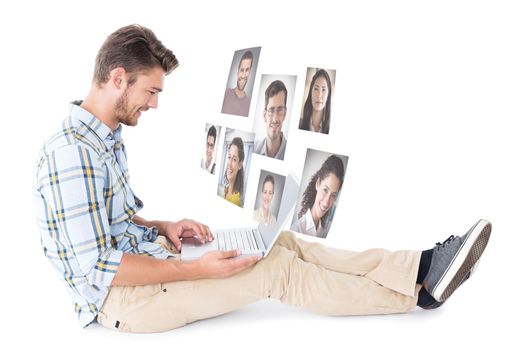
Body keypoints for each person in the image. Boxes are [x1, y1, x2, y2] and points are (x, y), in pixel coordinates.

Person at [33, 24, 492, 333]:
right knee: (277, 272)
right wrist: (194, 268)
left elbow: (108, 229)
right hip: (123, 301)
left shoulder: (102, 138)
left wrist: (164, 228)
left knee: (283, 244)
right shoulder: (73, 153)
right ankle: (418, 294)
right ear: (118, 78)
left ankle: (422, 265)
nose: (154, 104)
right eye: (151, 91)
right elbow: (98, 269)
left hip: (148, 259)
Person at [291, 154, 344, 238]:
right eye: (325, 190)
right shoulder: (296, 229)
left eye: (333, 195)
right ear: (318, 183)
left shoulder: (324, 232)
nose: (326, 203)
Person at [254, 80, 288, 160]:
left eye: (280, 110)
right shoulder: (253, 148)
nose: (275, 119)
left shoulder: (292, 153)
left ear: (285, 114)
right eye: (271, 110)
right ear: (265, 115)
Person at [299, 69, 333, 134]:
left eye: (323, 90)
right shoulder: (299, 125)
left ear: (328, 95)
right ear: (310, 92)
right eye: (316, 89)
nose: (319, 95)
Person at [221, 50, 253, 117]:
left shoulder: (249, 106)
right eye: (242, 70)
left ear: (250, 72)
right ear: (237, 72)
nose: (243, 75)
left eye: (247, 70)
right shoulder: (225, 94)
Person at [223, 137, 245, 207]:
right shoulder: (226, 190)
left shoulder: (236, 201)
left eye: (234, 159)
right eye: (229, 157)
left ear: (240, 165)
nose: (229, 164)